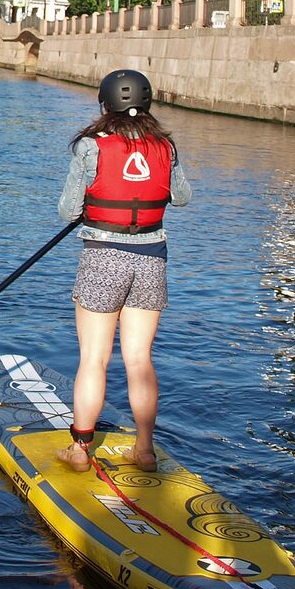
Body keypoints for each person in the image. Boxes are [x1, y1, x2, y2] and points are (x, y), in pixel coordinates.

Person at [54, 68, 190, 474]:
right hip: (151, 257)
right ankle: (144, 450)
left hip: (102, 257)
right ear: (146, 103)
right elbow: (180, 197)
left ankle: (80, 449)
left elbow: (67, 211)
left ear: (105, 102)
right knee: (139, 359)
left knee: (93, 359)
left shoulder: (90, 146)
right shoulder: (165, 145)